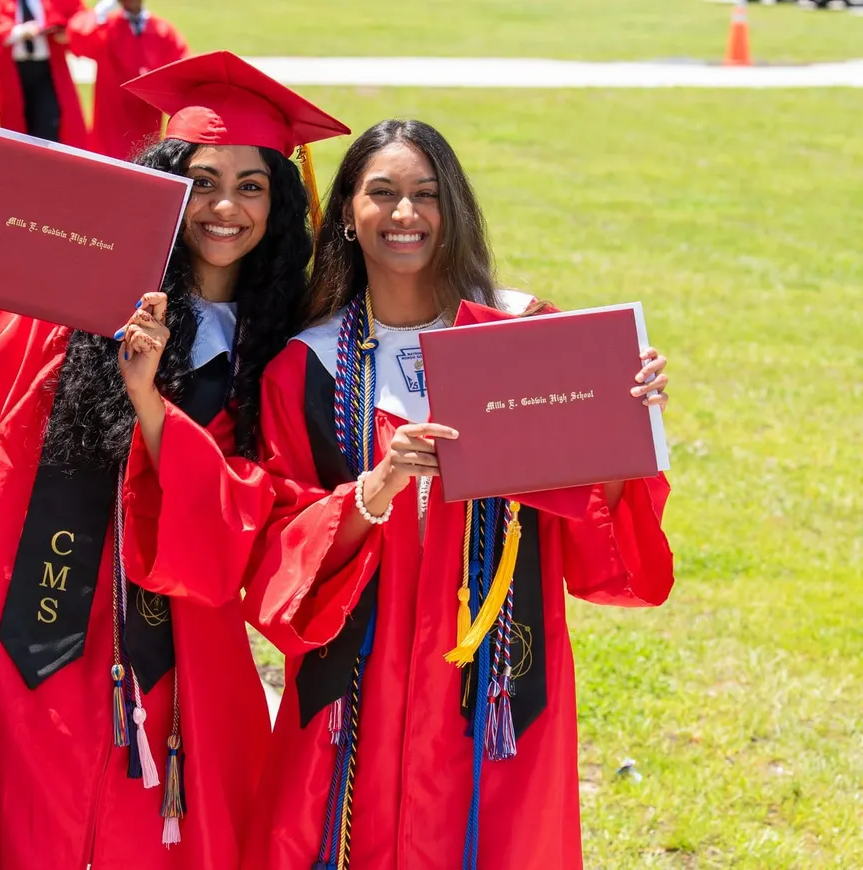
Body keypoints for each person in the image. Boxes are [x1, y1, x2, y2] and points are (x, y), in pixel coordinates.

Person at [0, 51, 346, 870]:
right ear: (163, 186)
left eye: (252, 184)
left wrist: (156, 411)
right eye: (200, 181)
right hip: (40, 630)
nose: (224, 206)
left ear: (283, 201)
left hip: (185, 646)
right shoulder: (77, 309)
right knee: (31, 823)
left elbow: (276, 510)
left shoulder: (286, 348)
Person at [241, 118, 676, 870]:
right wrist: (375, 488)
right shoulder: (304, 370)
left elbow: (598, 543)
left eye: (425, 195)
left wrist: (624, 423)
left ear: (454, 210)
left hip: (499, 681)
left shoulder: (521, 335)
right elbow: (278, 550)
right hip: (360, 682)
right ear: (346, 212)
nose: (405, 214)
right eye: (382, 194)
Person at [66, 0, 185, 160]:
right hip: (111, 123)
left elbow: (182, 69)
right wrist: (100, 11)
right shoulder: (107, 27)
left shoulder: (162, 31)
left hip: (146, 121)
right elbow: (78, 38)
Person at [0, 0, 86, 146]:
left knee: (48, 130)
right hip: (15, 72)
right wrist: (20, 32)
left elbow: (78, 18)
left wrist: (67, 32)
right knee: (15, 135)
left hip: (46, 72)